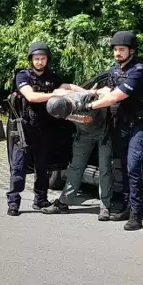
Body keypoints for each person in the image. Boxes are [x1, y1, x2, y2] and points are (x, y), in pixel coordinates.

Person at [76, 31, 143, 231]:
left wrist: (90, 107)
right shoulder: (115, 71)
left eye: (121, 49)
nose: (117, 53)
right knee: (123, 169)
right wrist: (90, 94)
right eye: (115, 49)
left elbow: (116, 97)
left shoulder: (140, 71)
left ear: (132, 50)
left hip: (139, 127)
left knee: (133, 168)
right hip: (120, 126)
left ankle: (137, 214)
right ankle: (127, 208)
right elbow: (107, 92)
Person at [6, 41, 87, 216]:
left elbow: (66, 86)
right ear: (31, 60)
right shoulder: (23, 76)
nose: (40, 62)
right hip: (25, 129)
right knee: (18, 167)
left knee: (43, 168)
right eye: (36, 59)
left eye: (43, 58)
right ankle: (13, 202)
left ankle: (40, 199)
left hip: (45, 129)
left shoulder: (52, 77)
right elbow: (31, 96)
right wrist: (55, 94)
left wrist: (86, 93)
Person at [42, 91, 114, 221]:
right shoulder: (59, 108)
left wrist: (93, 100)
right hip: (84, 134)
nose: (69, 115)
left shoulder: (85, 98)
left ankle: (105, 207)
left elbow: (106, 96)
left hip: (104, 133)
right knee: (75, 168)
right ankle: (63, 203)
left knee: (105, 169)